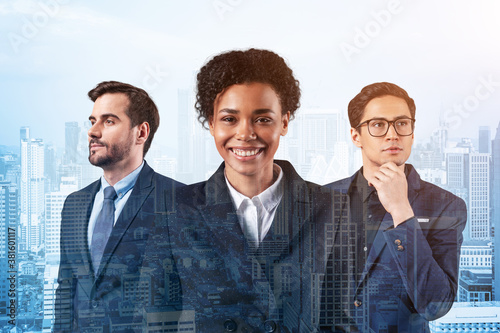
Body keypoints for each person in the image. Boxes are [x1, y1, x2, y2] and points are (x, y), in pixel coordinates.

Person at [155, 48, 335, 332]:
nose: (245, 133)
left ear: (284, 122)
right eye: (229, 119)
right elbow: (157, 318)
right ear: (211, 123)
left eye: (262, 119)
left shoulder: (332, 208)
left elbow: (342, 319)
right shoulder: (174, 209)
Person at [322, 82, 467, 332]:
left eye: (401, 123)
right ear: (356, 136)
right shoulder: (321, 199)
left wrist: (401, 211)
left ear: (412, 133)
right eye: (378, 125)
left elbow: (435, 305)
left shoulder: (445, 206)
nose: (393, 134)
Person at [53, 81, 183, 332]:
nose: (93, 131)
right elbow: (66, 288)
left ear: (141, 133)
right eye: (92, 121)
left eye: (108, 121)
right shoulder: (74, 204)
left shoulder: (180, 200)